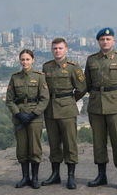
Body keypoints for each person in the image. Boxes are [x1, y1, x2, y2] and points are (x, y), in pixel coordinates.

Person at [84, 28, 117, 192]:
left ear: (113, 41)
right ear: (98, 42)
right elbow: (87, 82)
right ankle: (101, 176)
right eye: (102, 39)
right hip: (96, 106)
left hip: (116, 106)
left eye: (108, 39)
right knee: (99, 142)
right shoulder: (91, 60)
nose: (105, 42)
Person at [41, 37, 86, 189]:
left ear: (66, 49)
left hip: (67, 109)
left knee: (69, 143)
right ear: (51, 50)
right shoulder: (46, 67)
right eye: (55, 48)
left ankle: (71, 176)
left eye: (60, 48)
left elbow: (82, 88)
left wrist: (70, 100)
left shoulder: (74, 67)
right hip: (50, 109)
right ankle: (55, 175)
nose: (57, 51)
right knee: (53, 144)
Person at [6, 49, 49, 189]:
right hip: (19, 117)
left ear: (33, 60)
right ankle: (25, 177)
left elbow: (44, 99)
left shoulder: (39, 77)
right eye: (22, 59)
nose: (25, 62)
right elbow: (9, 100)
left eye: (27, 59)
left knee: (35, 148)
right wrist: (18, 114)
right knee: (22, 148)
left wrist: (33, 114)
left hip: (34, 118)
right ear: (19, 60)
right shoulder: (15, 77)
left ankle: (35, 178)